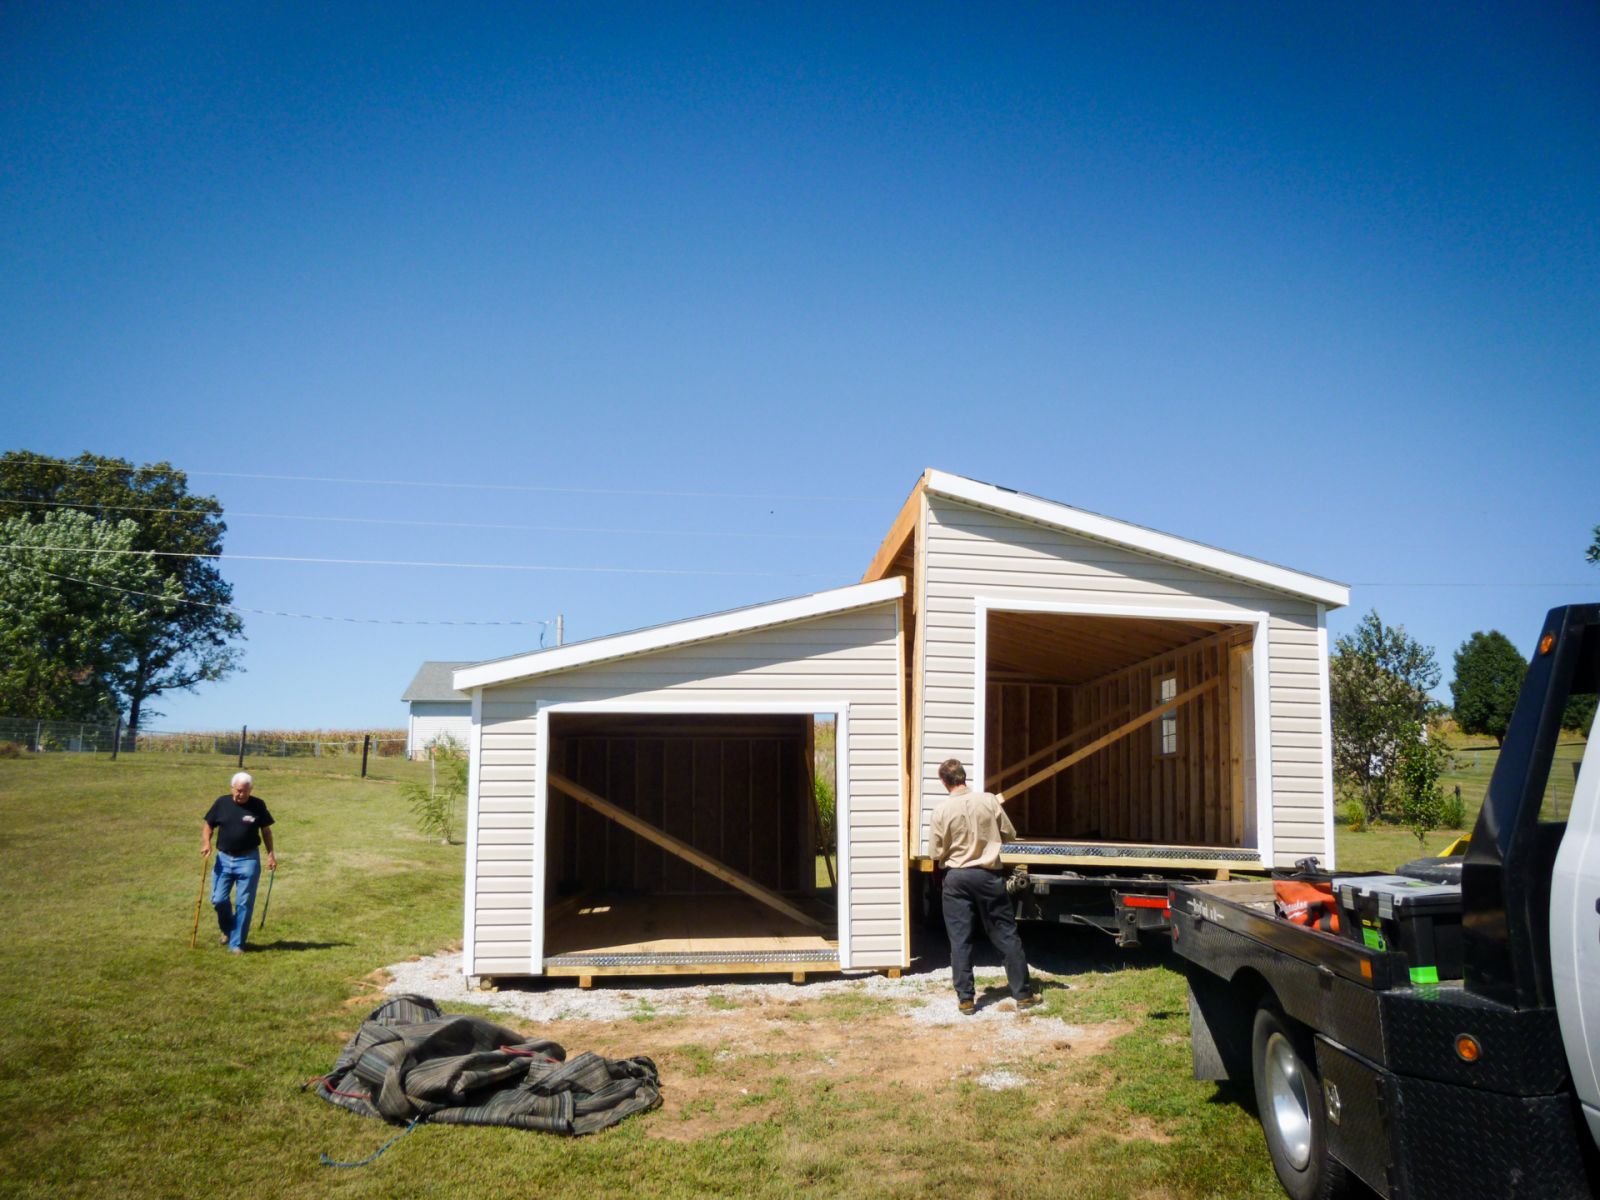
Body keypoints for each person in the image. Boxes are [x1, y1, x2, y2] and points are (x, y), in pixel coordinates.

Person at [927, 758, 1038, 1014]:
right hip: (989, 876)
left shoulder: (941, 811)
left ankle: (966, 999)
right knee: (1006, 934)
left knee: (960, 939)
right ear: (964, 777)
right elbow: (1010, 834)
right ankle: (1023, 995)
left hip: (956, 877)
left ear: (944, 782)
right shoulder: (988, 800)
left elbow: (936, 852)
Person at [201, 771, 276, 954]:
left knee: (244, 902)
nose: (240, 794)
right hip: (223, 859)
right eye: (237, 790)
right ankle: (228, 929)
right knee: (218, 899)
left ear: (250, 790)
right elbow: (208, 825)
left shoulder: (258, 805)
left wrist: (271, 854)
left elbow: (266, 831)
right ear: (232, 788)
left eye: (244, 791)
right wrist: (206, 843)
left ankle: (237, 944)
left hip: (249, 860)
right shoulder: (222, 803)